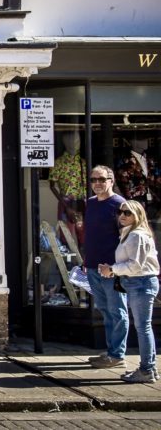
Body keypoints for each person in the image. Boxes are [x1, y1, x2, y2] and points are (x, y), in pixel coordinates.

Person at [98, 200, 160, 383]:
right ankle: (149, 369)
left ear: (137, 215)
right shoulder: (129, 234)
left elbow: (135, 265)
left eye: (128, 213)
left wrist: (112, 269)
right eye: (120, 212)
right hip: (138, 283)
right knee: (143, 327)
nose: (122, 216)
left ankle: (147, 370)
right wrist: (113, 269)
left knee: (143, 328)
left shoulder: (136, 236)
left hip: (141, 283)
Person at [84, 165, 128, 370]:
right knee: (105, 310)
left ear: (111, 180)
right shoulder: (91, 203)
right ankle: (111, 352)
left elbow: (127, 238)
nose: (97, 184)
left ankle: (117, 354)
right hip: (93, 266)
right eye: (93, 180)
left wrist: (116, 267)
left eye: (101, 179)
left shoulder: (119, 204)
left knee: (117, 311)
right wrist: (86, 260)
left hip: (111, 269)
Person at [49, 131, 86, 246]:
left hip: (82, 201)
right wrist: (66, 207)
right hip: (66, 202)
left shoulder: (83, 162)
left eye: (78, 141)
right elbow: (52, 185)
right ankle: (67, 264)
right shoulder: (59, 163)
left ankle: (84, 263)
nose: (75, 144)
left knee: (84, 236)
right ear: (65, 143)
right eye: (72, 141)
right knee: (66, 235)